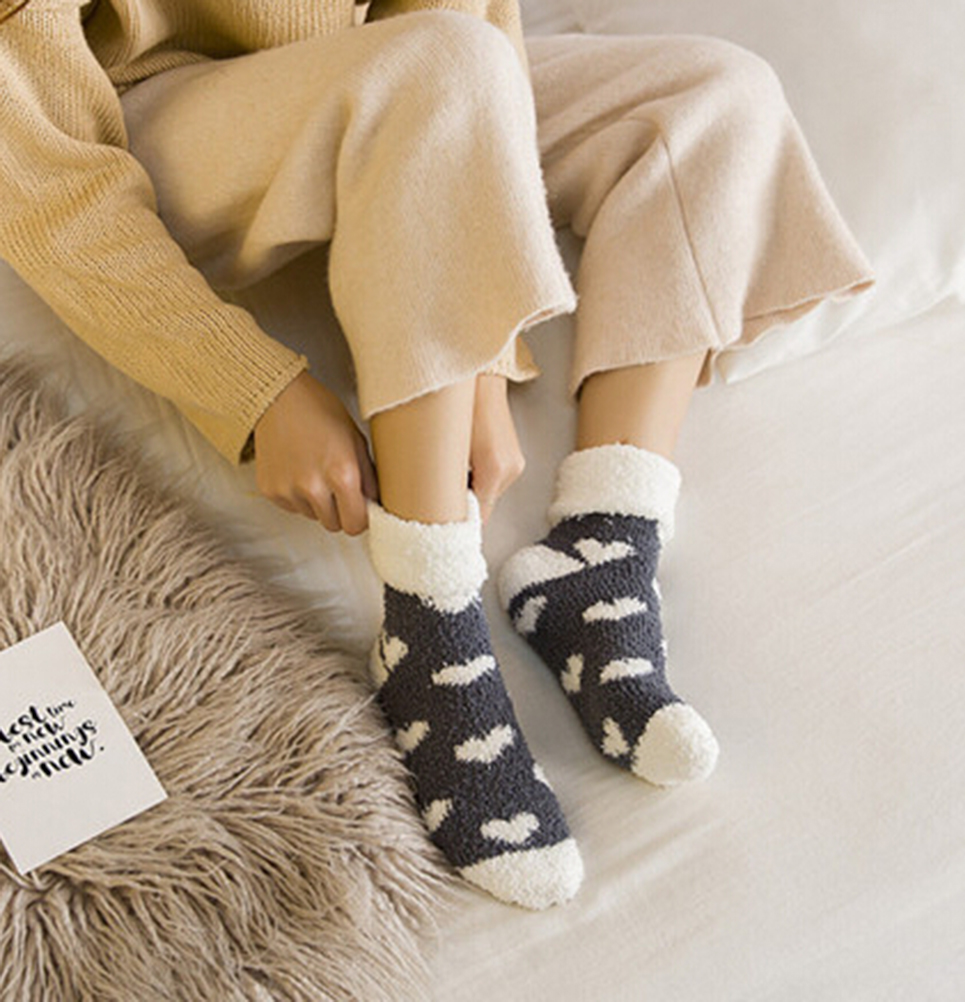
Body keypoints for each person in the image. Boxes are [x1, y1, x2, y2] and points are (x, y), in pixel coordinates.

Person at [0, 0, 872, 909]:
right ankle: (429, 627)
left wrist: (485, 352)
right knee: (441, 63)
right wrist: (255, 390)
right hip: (150, 128)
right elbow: (45, 184)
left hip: (400, 80)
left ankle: (603, 550)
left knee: (714, 97)